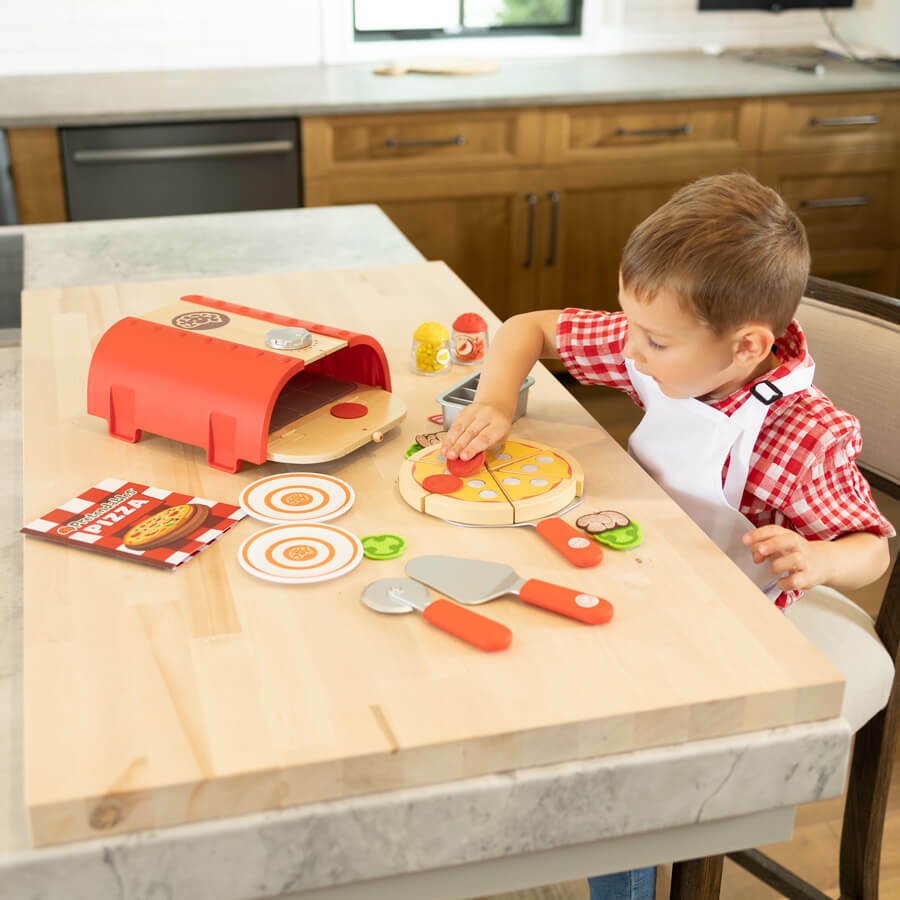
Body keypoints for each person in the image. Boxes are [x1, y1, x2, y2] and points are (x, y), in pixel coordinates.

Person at [441, 172, 895, 900]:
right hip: (643, 564)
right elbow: (529, 326)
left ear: (746, 347)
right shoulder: (667, 345)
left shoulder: (804, 435)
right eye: (630, 326)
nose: (632, 352)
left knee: (629, 764)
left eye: (652, 340)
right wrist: (496, 400)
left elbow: (872, 546)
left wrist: (817, 557)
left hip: (727, 621)